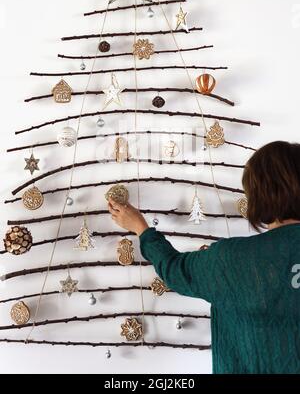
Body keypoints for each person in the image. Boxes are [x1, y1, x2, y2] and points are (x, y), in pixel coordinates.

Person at [108, 141, 300, 374]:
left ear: (260, 194)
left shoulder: (232, 259)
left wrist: (142, 229)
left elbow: (174, 270)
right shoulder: (230, 260)